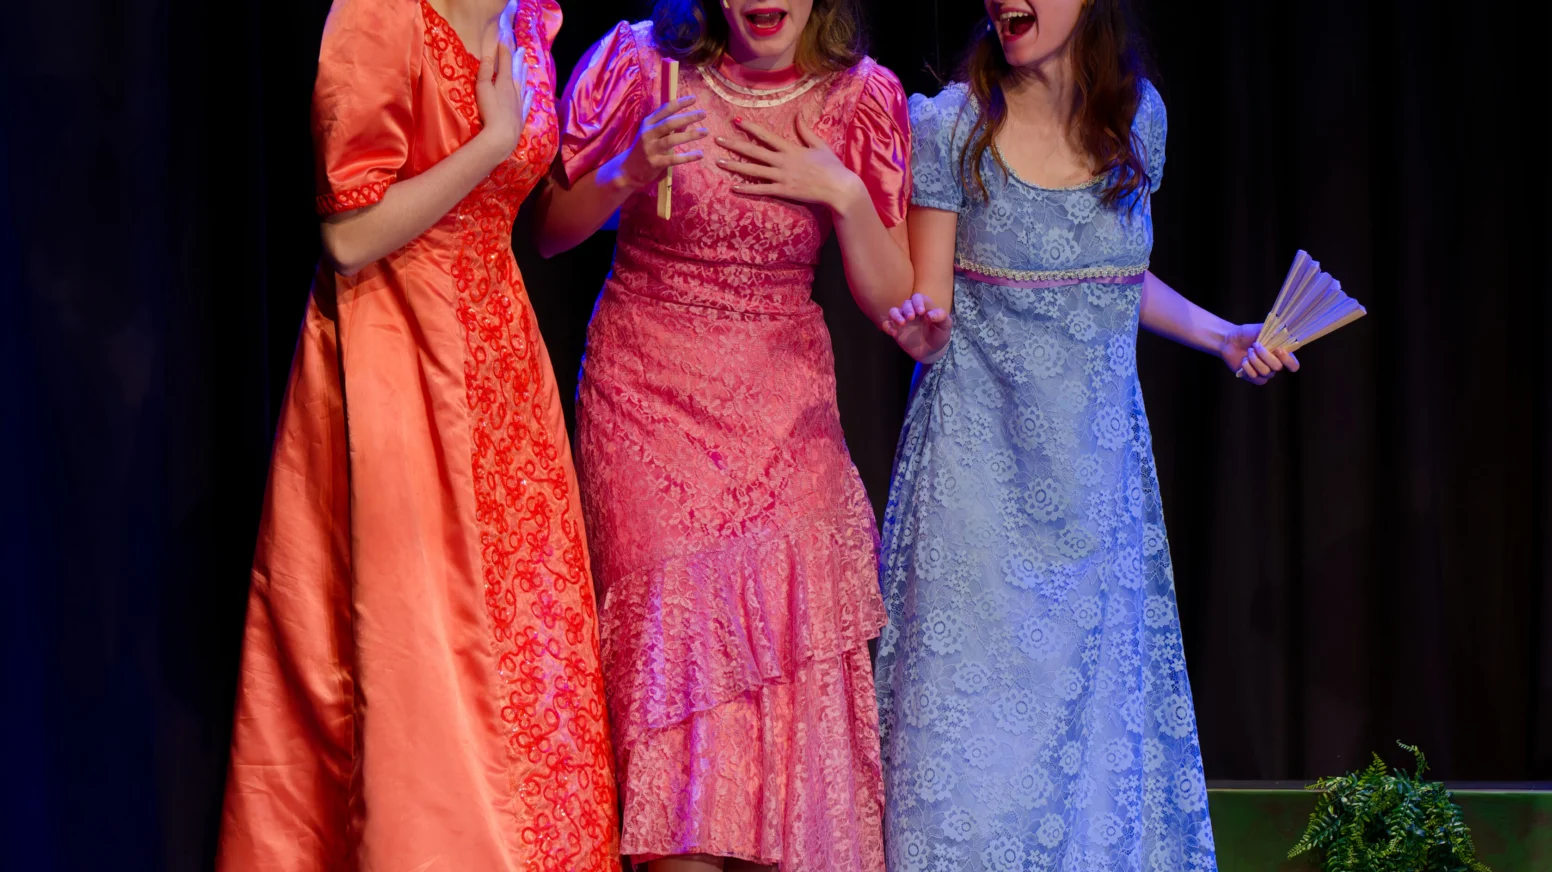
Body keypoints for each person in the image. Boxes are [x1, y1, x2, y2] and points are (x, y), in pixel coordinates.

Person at [874, 1, 1297, 869]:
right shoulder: (952, 126)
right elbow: (929, 308)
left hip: (1097, 491)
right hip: (977, 493)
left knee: (1095, 771)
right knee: (968, 773)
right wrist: (911, 313)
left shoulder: (1138, 118)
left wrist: (1226, 336)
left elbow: (1111, 276)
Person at [217, 2, 619, 870]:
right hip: (394, 354)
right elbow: (348, 235)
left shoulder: (526, 20)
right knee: (421, 658)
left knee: (528, 653)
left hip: (503, 361)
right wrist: (489, 143)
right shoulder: (379, 16)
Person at [531, 1, 913, 869]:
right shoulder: (642, 64)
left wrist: (844, 191)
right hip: (648, 404)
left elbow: (895, 302)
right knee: (681, 696)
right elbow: (552, 233)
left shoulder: (858, 99)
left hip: (785, 417)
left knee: (790, 693)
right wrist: (626, 174)